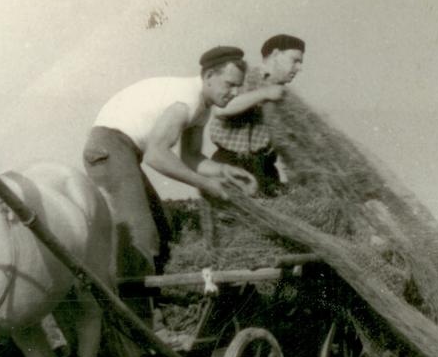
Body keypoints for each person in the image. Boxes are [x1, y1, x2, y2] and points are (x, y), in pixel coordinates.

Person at [82, 45, 257, 279]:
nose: (235, 93)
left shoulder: (202, 109)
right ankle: (136, 313)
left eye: (239, 86)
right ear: (209, 77)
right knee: (140, 234)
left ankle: (159, 301)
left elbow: (191, 157)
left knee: (163, 228)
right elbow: (156, 155)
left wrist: (225, 171)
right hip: (109, 145)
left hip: (125, 150)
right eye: (230, 84)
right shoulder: (185, 102)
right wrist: (205, 184)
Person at [207, 34, 306, 196]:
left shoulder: (285, 95)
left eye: (300, 63)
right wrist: (265, 93)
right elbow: (221, 109)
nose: (299, 68)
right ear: (275, 55)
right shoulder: (242, 76)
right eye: (295, 60)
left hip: (265, 168)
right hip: (231, 165)